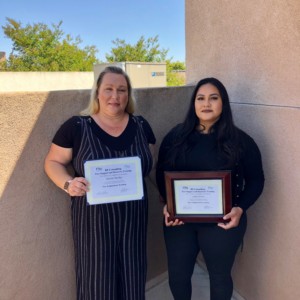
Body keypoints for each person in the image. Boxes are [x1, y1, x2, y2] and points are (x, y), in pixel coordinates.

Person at [44, 66, 156, 300]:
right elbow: (53, 162)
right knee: (97, 282)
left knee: (133, 278)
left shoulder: (142, 126)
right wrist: (68, 184)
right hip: (93, 222)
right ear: (97, 93)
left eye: (121, 90)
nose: (115, 96)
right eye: (109, 89)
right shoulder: (76, 126)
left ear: (129, 95)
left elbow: (148, 164)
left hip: (133, 219)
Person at [156, 77, 264, 300]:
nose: (206, 104)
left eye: (213, 98)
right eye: (200, 98)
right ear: (193, 103)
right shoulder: (175, 137)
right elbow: (161, 173)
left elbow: (256, 180)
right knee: (177, 277)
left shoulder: (240, 141)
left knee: (219, 276)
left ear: (223, 103)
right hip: (180, 222)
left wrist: (240, 209)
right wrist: (168, 204)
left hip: (223, 222)